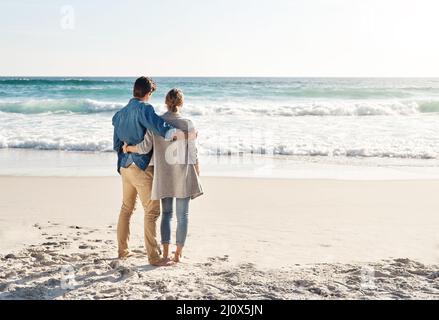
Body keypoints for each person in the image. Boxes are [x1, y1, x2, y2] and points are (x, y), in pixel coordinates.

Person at [124, 88, 203, 262]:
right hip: (183, 175)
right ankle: (178, 254)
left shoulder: (157, 123)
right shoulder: (188, 123)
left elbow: (146, 148)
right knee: (183, 216)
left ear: (166, 102)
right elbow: (193, 154)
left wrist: (128, 148)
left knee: (167, 214)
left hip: (164, 175)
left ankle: (165, 253)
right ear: (181, 103)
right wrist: (197, 173)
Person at [112, 77, 185, 266]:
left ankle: (123, 251)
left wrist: (128, 149)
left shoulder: (120, 114)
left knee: (126, 209)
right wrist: (179, 134)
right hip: (142, 169)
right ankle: (154, 257)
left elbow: (116, 145)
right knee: (152, 212)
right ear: (148, 93)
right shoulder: (145, 109)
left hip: (124, 166)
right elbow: (160, 127)